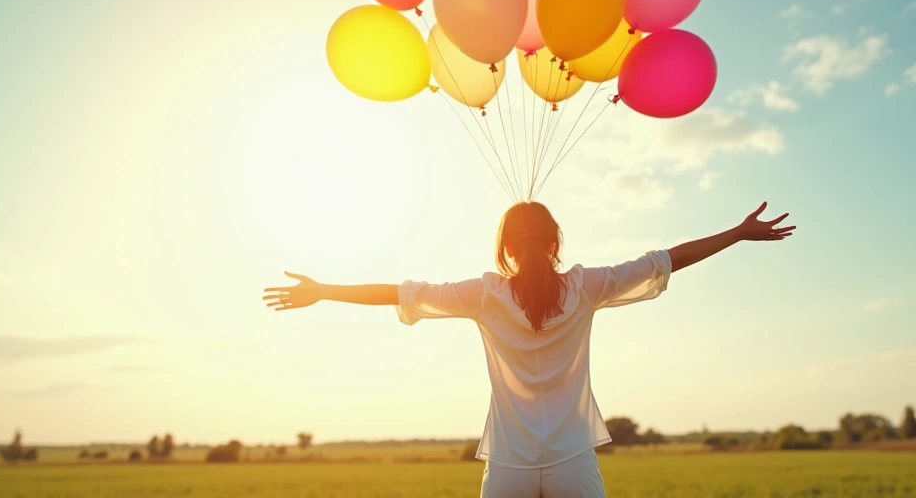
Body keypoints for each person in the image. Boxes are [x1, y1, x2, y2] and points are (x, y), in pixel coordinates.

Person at [263, 200, 794, 497]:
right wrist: (738, 232)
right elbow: (665, 260)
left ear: (505, 248)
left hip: (511, 466)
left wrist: (324, 290)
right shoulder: (586, 286)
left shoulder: (486, 294)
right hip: (572, 462)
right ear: (555, 243)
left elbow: (399, 293)